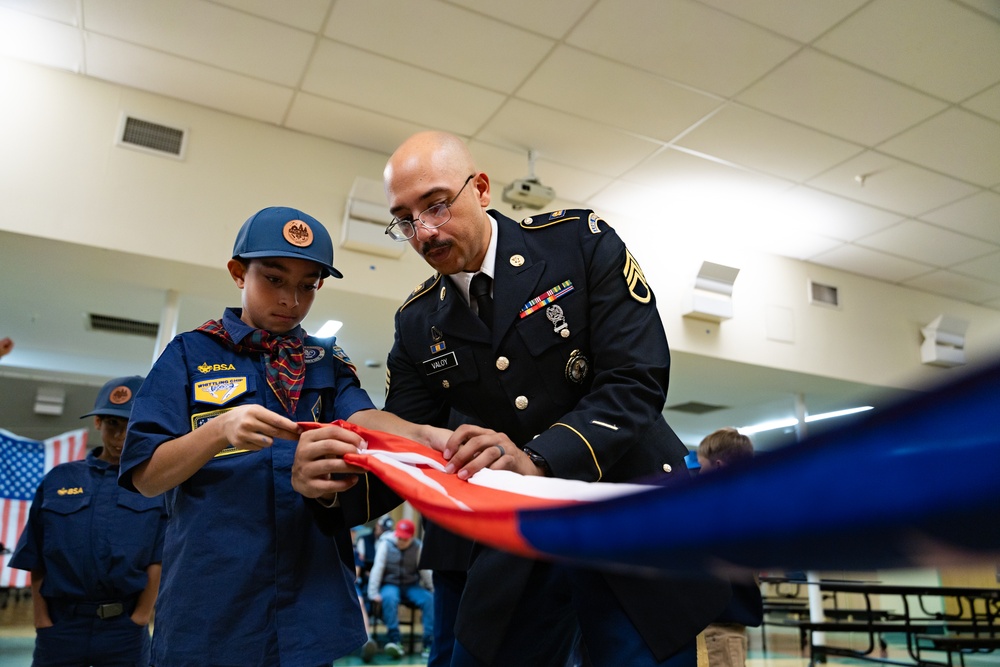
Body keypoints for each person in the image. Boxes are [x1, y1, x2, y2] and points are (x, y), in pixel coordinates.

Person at [378, 131, 730, 666]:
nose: (424, 231)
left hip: (626, 512)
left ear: (483, 189)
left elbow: (636, 380)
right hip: (517, 539)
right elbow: (402, 441)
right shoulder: (417, 321)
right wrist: (339, 463)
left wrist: (539, 460)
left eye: (437, 205)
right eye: (405, 220)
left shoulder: (579, 245)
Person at [118, 206, 451, 666]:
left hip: (307, 607)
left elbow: (366, 419)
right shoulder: (188, 355)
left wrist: (424, 434)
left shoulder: (324, 362)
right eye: (273, 279)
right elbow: (145, 478)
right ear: (238, 273)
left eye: (307, 285)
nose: (291, 300)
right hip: (212, 606)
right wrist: (217, 431)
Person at [11, 375, 166, 667]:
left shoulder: (153, 484)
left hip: (124, 630)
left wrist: (140, 618)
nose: (120, 437)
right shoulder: (60, 478)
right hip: (60, 628)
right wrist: (42, 621)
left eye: (129, 427)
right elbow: (37, 554)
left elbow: (156, 560)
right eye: (112, 425)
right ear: (98, 424)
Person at [696, 428, 764, 667]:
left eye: (702, 465)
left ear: (718, 466)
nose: (700, 472)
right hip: (721, 629)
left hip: (720, 631)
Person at [367, 518, 434, 660]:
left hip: (411, 585)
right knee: (389, 598)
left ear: (411, 537)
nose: (401, 541)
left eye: (404, 539)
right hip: (390, 584)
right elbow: (377, 568)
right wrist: (373, 592)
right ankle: (395, 641)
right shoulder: (386, 544)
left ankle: (428, 643)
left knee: (429, 600)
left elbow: (425, 571)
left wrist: (432, 589)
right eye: (399, 537)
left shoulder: (418, 547)